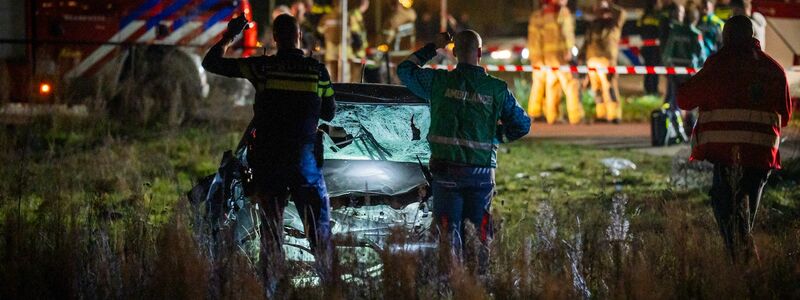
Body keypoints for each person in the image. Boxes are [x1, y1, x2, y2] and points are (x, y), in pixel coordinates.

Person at [202, 14, 336, 293]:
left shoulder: (263, 67)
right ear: (300, 37)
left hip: (269, 163)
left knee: (271, 233)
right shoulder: (317, 71)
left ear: (275, 39)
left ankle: (272, 290)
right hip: (305, 163)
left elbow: (211, 63)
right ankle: (333, 289)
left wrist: (230, 35)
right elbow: (329, 113)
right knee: (320, 232)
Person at [397, 30, 531, 272]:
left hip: (446, 173)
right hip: (481, 174)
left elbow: (405, 70)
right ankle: (478, 281)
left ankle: (450, 281)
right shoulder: (497, 89)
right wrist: (494, 136)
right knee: (479, 235)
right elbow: (522, 125)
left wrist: (433, 46)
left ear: (455, 52)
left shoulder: (438, 82)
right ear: (479, 52)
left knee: (447, 234)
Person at [677, 15, 792, 262]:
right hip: (761, 156)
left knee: (728, 214)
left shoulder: (718, 65)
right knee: (744, 219)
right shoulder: (773, 69)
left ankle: (745, 267)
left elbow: (684, 99)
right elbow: (785, 116)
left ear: (726, 37)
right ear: (752, 36)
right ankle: (745, 269)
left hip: (727, 154)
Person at [527, 0, 584, 124]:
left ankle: (552, 116)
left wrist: (537, 57)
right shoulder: (562, 12)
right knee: (571, 84)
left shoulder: (540, 14)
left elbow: (536, 38)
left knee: (552, 85)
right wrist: (569, 49)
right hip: (561, 56)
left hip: (546, 57)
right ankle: (576, 117)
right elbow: (567, 32)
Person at [581, 0, 625, 123]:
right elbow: (587, 42)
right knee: (597, 90)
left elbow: (622, 13)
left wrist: (609, 4)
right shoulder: (593, 25)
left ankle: (614, 115)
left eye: (604, 11)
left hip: (606, 60)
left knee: (609, 87)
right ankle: (601, 114)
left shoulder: (613, 24)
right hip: (592, 60)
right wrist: (581, 56)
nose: (602, 13)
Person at [662, 5, 706, 112]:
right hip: (690, 72)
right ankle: (688, 120)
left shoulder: (675, 32)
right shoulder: (696, 34)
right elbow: (702, 55)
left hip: (674, 70)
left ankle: (675, 118)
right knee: (690, 99)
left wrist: (667, 65)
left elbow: (668, 51)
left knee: (675, 97)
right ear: (695, 19)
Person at [318, 0, 370, 82]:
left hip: (331, 53)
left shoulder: (327, 17)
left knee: (333, 80)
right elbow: (356, 32)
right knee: (345, 79)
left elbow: (320, 30)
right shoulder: (347, 16)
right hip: (345, 53)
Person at [637, 0, 664, 96]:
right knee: (655, 69)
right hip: (655, 48)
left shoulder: (643, 16)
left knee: (647, 69)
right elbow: (661, 30)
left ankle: (647, 89)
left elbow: (638, 29)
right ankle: (654, 90)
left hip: (645, 47)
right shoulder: (658, 16)